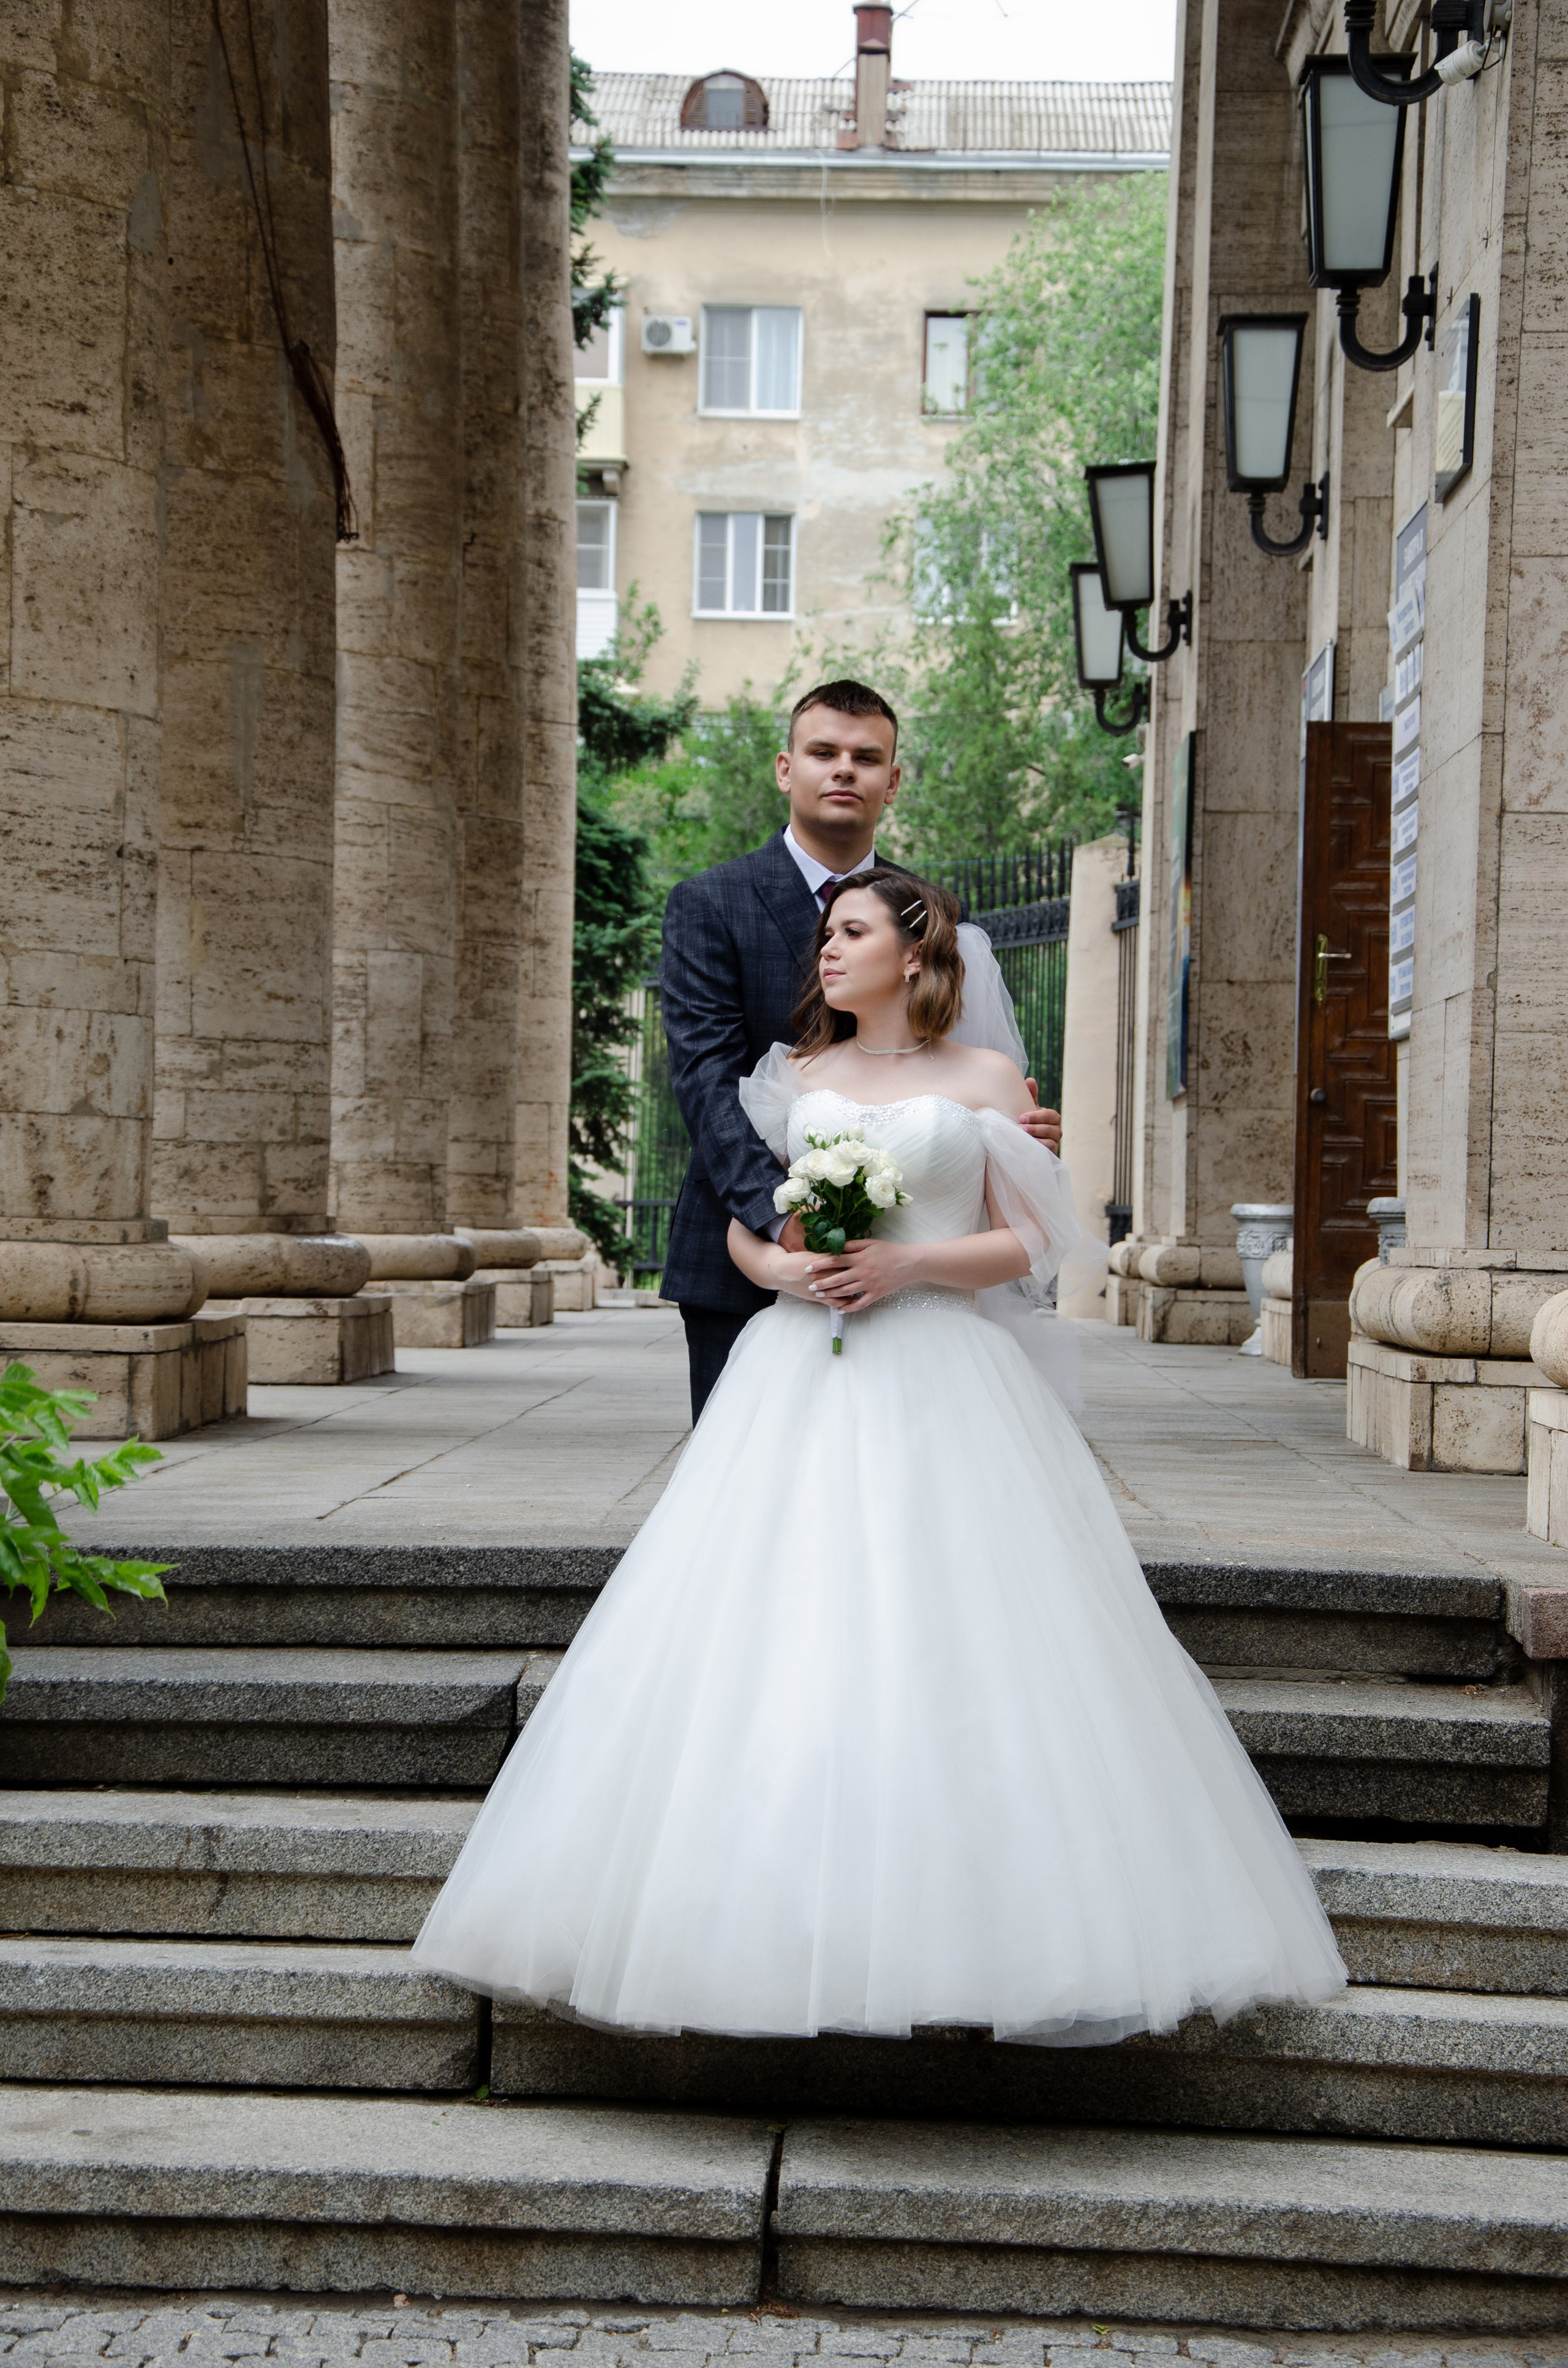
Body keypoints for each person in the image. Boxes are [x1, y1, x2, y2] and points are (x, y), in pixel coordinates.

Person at [411, 869, 1346, 2046]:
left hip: (947, 1367)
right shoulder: (792, 1078)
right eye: (823, 935)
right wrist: (793, 1274)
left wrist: (908, 1266)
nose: (826, 954)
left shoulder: (992, 1083)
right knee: (776, 1620)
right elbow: (749, 1228)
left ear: (915, 954)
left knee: (959, 1626)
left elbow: (1035, 1241)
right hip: (801, 1363)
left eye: (849, 933)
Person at [659, 676, 1061, 1424]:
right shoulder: (710, 901)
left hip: (916, 1291)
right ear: (787, 769)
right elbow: (706, 1078)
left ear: (892, 781)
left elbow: (956, 1070)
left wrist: (1012, 1135)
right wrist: (785, 1227)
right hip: (746, 1255)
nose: (844, 768)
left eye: (866, 756)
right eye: (823, 752)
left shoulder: (932, 915)